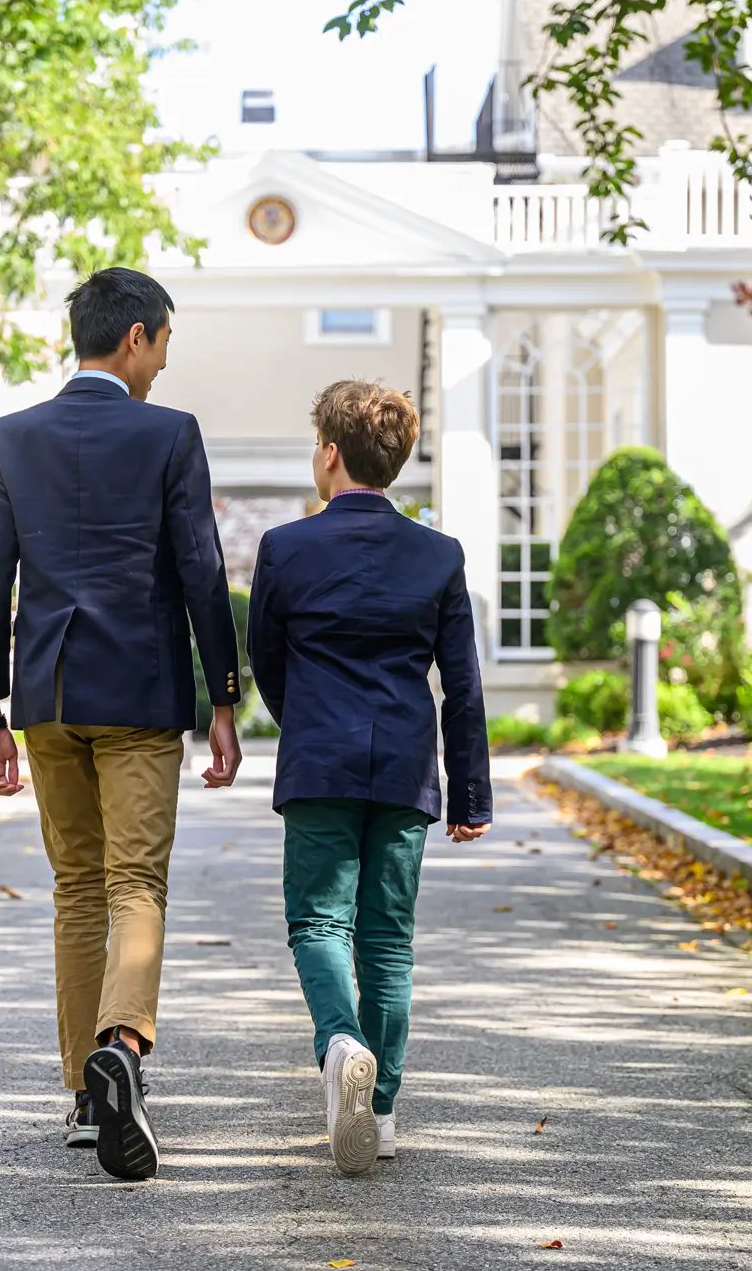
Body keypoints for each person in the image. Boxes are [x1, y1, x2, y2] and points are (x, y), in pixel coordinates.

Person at [0, 266, 244, 1183]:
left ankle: (86, 1097)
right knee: (135, 882)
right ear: (135, 337)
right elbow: (202, 571)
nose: (164, 365)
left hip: (45, 695)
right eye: (163, 344)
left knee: (76, 889)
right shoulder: (169, 435)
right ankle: (121, 1047)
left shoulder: (14, 437)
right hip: (138, 694)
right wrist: (224, 697)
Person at [247, 380, 491, 1177]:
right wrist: (472, 795)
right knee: (389, 940)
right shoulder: (438, 554)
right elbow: (462, 684)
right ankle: (379, 1112)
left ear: (329, 452)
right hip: (406, 765)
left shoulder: (286, 549)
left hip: (319, 756)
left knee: (319, 923)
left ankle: (338, 1041)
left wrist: (305, 722)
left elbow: (268, 666)